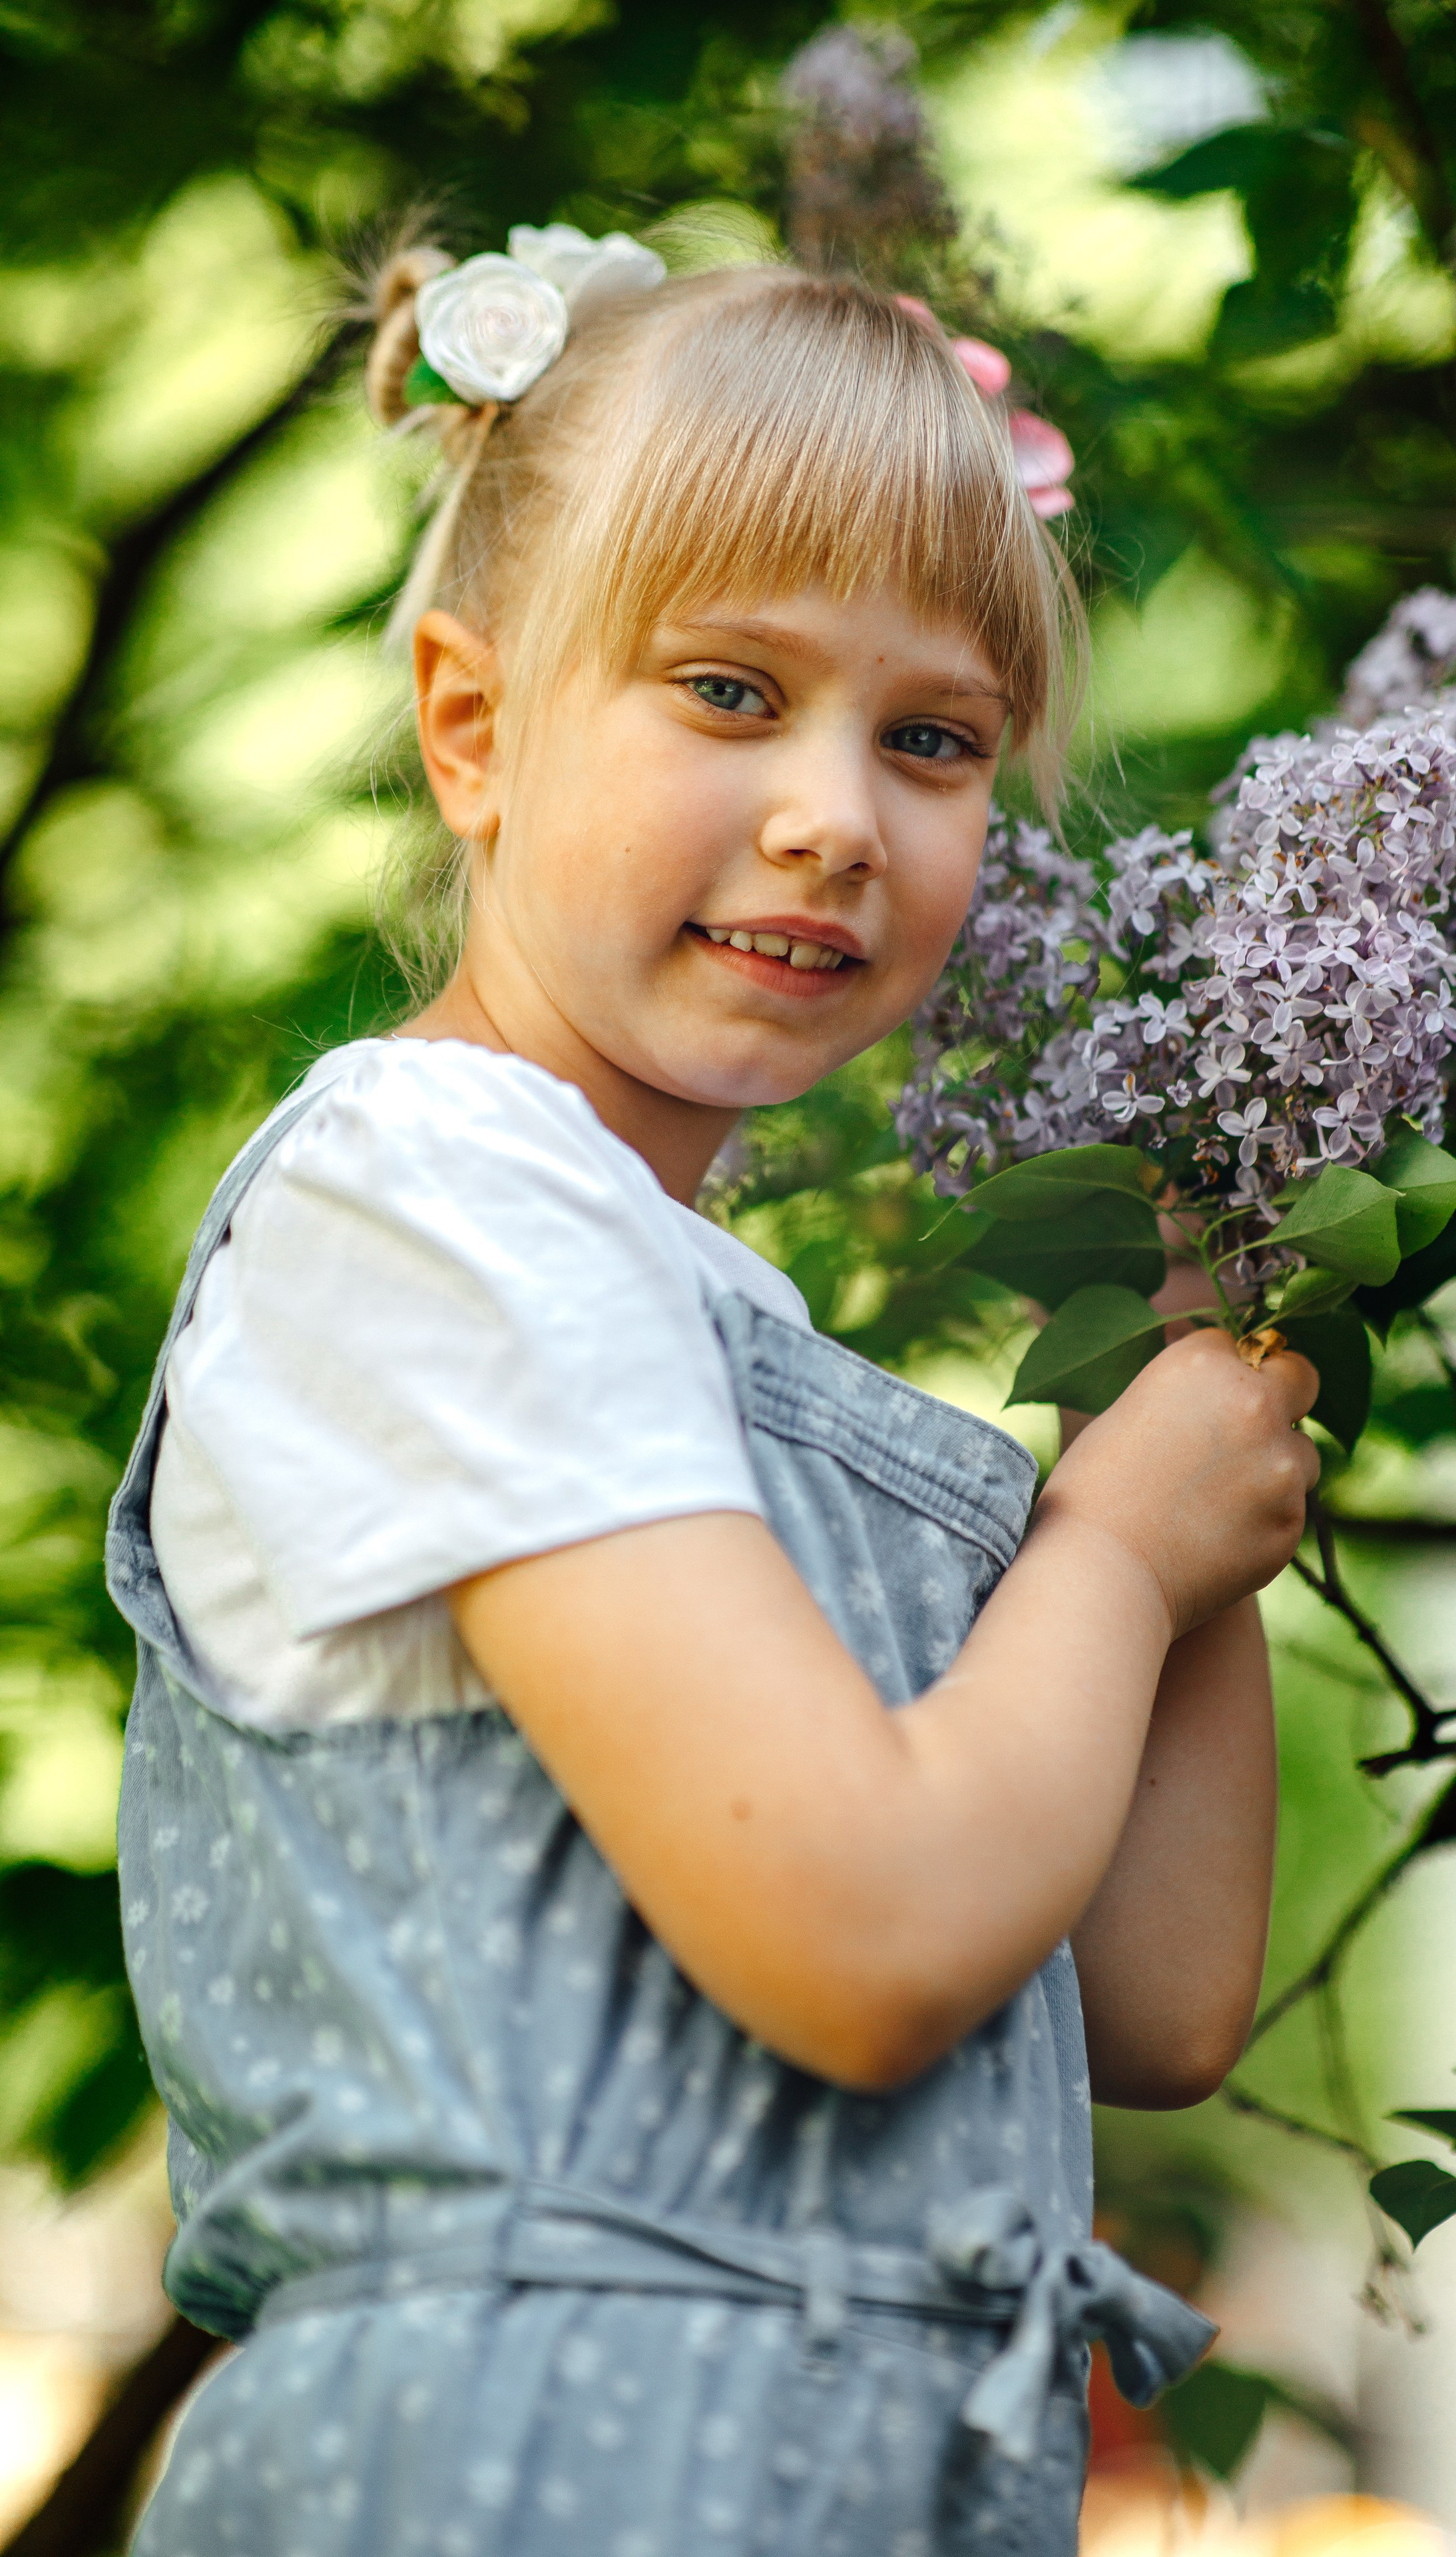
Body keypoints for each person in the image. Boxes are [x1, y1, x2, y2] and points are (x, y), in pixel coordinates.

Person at [107, 232, 1319, 2557]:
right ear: (472, 727)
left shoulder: (710, 1328)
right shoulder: (429, 1196)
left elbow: (1153, 1999)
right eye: (731, 692)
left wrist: (1175, 1401)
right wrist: (1111, 1549)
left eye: (933, 737)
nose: (836, 815)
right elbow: (869, 1936)